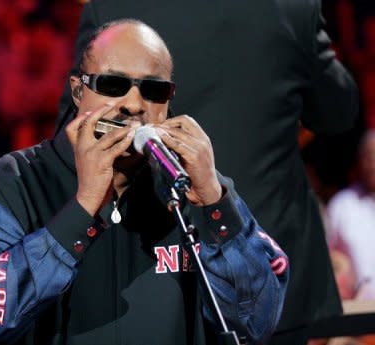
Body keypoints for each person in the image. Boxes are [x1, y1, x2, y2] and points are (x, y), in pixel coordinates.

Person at [0, 20, 289, 345]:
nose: (133, 104)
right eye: (113, 85)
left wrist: (219, 206)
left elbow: (255, 324)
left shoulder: (197, 186)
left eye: (154, 90)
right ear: (78, 91)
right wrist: (83, 210)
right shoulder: (16, 180)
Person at [55, 2, 360, 344]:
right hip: (269, 275)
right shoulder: (290, 8)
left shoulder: (114, 8)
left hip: (148, 270)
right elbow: (337, 113)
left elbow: (76, 133)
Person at [327, 130, 375, 301]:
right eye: (368, 156)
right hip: (359, 314)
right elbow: (330, 262)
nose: (372, 163)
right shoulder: (343, 205)